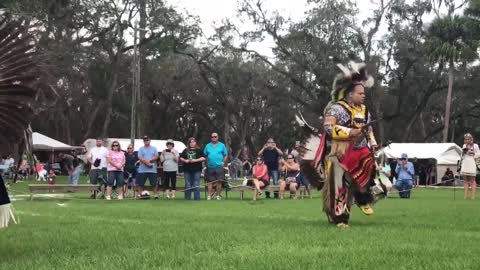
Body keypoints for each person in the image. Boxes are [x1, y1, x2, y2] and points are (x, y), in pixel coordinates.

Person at [320, 62, 379, 228]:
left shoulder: (365, 110)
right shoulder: (337, 109)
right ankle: (340, 218)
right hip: (340, 153)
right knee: (340, 186)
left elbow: (369, 129)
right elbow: (328, 127)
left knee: (364, 178)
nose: (363, 95)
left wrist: (372, 142)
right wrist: (349, 132)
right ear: (349, 94)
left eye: (364, 93)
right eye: (360, 93)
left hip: (361, 152)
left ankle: (363, 197)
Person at [204, 132, 228, 200]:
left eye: (215, 136)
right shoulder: (207, 146)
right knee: (209, 181)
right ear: (211, 138)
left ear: (218, 137)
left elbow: (225, 155)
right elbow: (205, 155)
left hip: (219, 166)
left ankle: (218, 195)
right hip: (210, 166)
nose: (213, 138)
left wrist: (223, 162)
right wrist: (206, 162)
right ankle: (209, 196)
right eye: (212, 137)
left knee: (219, 181)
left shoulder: (222, 145)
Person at [460, 133, 479, 200]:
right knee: (465, 180)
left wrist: (473, 154)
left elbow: (478, 154)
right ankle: (465, 196)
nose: (467, 140)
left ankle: (473, 196)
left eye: (468, 139)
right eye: (466, 139)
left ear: (471, 139)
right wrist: (464, 152)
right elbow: (462, 155)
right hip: (465, 162)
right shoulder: (464, 145)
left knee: (472, 180)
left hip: (472, 162)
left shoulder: (475, 145)